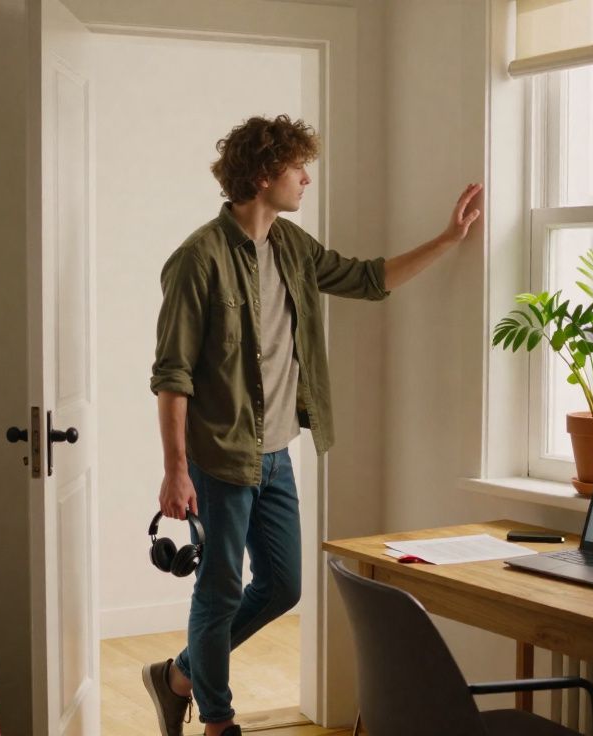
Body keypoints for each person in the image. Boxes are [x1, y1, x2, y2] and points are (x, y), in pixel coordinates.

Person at [144, 114, 481, 736]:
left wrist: (447, 240)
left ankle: (178, 675)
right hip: (218, 458)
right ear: (266, 174)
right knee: (219, 592)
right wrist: (175, 469)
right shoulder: (198, 259)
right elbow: (173, 375)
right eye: (299, 169)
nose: (306, 180)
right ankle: (218, 722)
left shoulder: (294, 248)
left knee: (282, 587)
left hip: (276, 455)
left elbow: (366, 279)